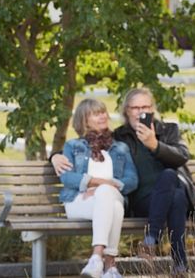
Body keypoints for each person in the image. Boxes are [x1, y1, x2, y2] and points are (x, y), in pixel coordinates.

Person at [57, 99, 137, 278]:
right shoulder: (73, 146)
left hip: (109, 198)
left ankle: (96, 258)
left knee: (107, 195)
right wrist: (97, 182)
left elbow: (132, 179)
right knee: (112, 202)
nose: (102, 116)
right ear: (84, 120)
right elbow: (67, 177)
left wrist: (107, 187)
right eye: (96, 113)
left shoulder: (120, 148)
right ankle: (110, 266)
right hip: (79, 202)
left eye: (103, 112)